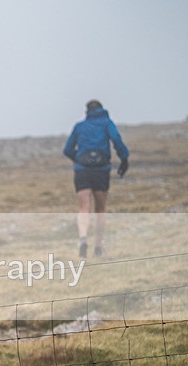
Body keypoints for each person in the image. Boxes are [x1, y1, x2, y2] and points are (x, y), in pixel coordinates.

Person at [63, 99, 130, 258]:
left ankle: (83, 238)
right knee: (100, 210)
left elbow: (67, 149)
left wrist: (79, 159)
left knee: (83, 207)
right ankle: (98, 248)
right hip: (101, 170)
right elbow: (117, 141)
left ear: (87, 112)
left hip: (82, 171)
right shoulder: (107, 123)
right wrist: (124, 160)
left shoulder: (80, 126)